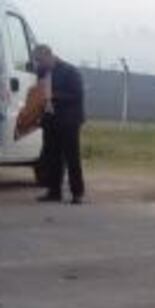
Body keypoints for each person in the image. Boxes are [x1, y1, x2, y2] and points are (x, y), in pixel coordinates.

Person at [33, 45, 85, 205]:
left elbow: (77, 95)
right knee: (52, 157)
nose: (39, 64)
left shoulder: (70, 71)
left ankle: (77, 193)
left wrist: (54, 96)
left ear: (49, 55)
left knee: (71, 157)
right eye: (37, 61)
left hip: (68, 120)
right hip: (50, 120)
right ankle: (54, 191)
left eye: (41, 60)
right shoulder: (42, 72)